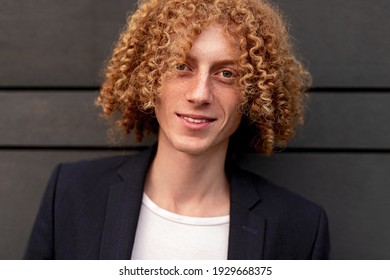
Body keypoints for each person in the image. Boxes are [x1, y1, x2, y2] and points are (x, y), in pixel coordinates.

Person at [25, 0, 330, 259]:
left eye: (227, 73)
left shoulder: (300, 227)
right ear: (148, 76)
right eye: (181, 66)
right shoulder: (72, 192)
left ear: (254, 93)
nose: (199, 94)